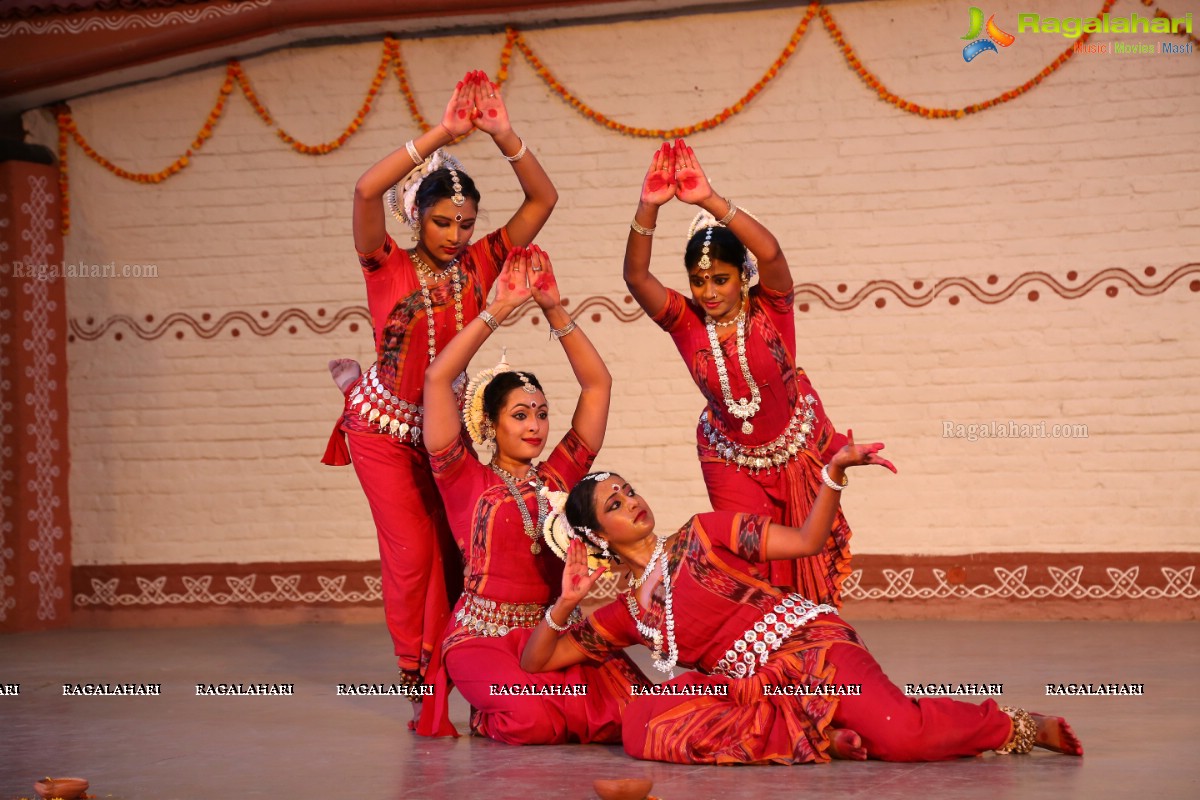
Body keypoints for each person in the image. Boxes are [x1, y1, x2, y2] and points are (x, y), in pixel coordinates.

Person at [521, 439, 1083, 764]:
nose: (632, 502)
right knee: (643, 721)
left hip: (813, 649)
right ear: (598, 536)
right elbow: (537, 661)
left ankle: (1014, 725)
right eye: (614, 504)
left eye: (628, 490)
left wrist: (832, 476)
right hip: (759, 693)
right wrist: (568, 603)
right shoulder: (629, 614)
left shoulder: (704, 533)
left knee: (902, 735)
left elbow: (807, 542)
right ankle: (817, 737)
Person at [320, 70, 558, 708]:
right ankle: (413, 670)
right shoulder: (385, 264)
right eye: (444, 222)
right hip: (380, 426)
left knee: (457, 549)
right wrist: (444, 134)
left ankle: (454, 656)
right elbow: (364, 188)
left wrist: (503, 135)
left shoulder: (482, 264)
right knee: (409, 553)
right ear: (417, 215)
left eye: (466, 223)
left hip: (443, 431)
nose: (456, 235)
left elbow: (542, 199)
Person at [418, 245, 649, 741]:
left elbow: (597, 386)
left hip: (550, 634)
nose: (536, 426)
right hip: (480, 637)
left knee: (637, 709)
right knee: (532, 718)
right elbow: (437, 379)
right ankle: (493, 707)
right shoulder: (464, 478)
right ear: (491, 422)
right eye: (520, 415)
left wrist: (553, 307)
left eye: (541, 414)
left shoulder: (559, 477)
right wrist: (499, 309)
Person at [623, 139, 856, 606]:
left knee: (805, 575)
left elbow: (771, 252)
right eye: (698, 280)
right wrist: (648, 208)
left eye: (720, 279)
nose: (708, 291)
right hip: (729, 455)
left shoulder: (772, 309)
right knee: (753, 567)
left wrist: (710, 199)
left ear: (743, 276)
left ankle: (805, 659)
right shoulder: (685, 322)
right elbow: (636, 277)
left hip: (794, 452)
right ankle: (759, 664)